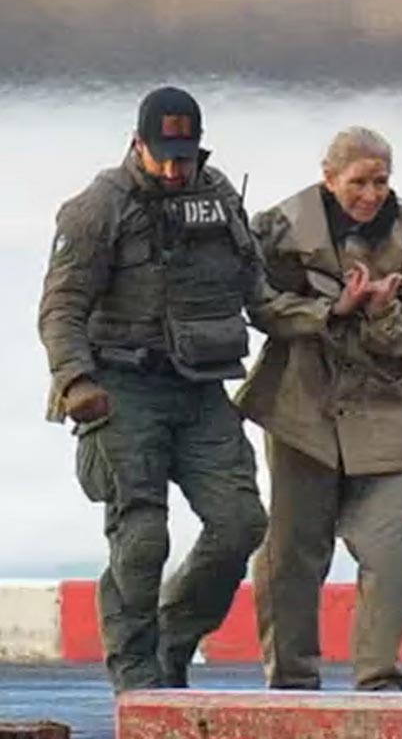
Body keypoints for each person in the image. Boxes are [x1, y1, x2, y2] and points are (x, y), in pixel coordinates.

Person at [37, 86, 268, 692]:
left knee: (240, 522)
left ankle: (175, 637)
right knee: (141, 538)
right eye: (162, 156)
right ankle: (136, 676)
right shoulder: (98, 208)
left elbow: (255, 286)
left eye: (184, 157)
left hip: (200, 386)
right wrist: (75, 379)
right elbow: (61, 308)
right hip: (122, 386)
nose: (173, 170)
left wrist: (321, 315)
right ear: (138, 144)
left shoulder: (217, 197)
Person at [236, 127, 402, 691]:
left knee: (393, 548)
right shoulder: (282, 226)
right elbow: (256, 302)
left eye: (381, 181)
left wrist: (383, 314)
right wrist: (330, 310)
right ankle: (291, 680)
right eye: (358, 181)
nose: (371, 194)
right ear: (329, 178)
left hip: (385, 412)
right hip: (303, 409)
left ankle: (378, 679)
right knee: (292, 552)